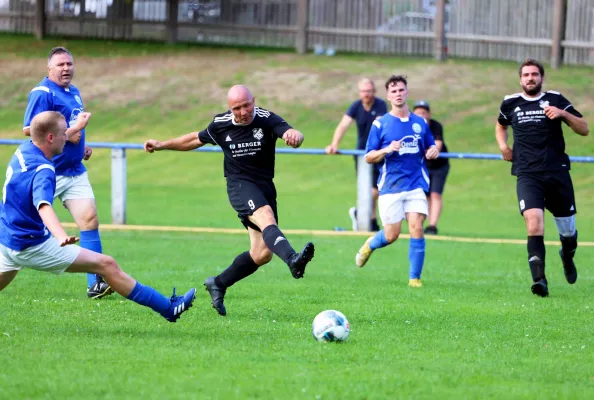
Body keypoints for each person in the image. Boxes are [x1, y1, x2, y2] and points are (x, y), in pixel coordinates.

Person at [0, 111, 196, 322]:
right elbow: (43, 205)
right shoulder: (45, 169)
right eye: (63, 133)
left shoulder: (24, 150)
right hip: (30, 244)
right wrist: (59, 235)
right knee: (106, 265)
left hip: (7, 236)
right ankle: (168, 308)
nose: (67, 137)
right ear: (50, 137)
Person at [144, 85, 315, 316]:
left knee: (261, 254)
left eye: (247, 105)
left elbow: (291, 132)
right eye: (237, 108)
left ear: (254, 100)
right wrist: (163, 145)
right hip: (239, 185)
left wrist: (295, 136)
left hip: (264, 187)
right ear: (229, 108)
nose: (243, 112)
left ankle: (218, 283)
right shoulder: (221, 124)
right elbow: (194, 139)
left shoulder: (266, 119)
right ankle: (293, 259)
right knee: (266, 217)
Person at [495, 58, 589, 297]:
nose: (530, 78)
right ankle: (540, 281)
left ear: (541, 78)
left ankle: (567, 256)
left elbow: (584, 128)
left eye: (534, 74)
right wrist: (504, 146)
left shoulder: (556, 99)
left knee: (568, 232)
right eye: (526, 75)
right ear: (520, 79)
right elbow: (500, 125)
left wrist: (562, 115)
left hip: (557, 173)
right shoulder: (510, 103)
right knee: (534, 222)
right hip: (527, 174)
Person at [23, 46, 110, 299]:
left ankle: (96, 283)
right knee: (21, 224)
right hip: (49, 170)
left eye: (69, 64)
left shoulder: (73, 92)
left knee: (90, 220)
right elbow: (31, 130)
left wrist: (80, 146)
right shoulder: (42, 93)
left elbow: (69, 128)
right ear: (49, 69)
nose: (66, 69)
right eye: (60, 65)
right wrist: (73, 131)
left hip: (73, 169)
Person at [354, 75, 439, 288]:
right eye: (393, 91)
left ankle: (414, 279)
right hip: (391, 186)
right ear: (388, 96)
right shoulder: (380, 124)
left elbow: (430, 145)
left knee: (417, 227)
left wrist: (433, 150)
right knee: (392, 235)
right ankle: (370, 245)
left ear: (407, 92)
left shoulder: (420, 123)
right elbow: (368, 156)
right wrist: (386, 149)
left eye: (401, 90)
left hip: (416, 184)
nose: (398, 94)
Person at [325, 78, 388, 232]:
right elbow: (343, 125)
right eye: (363, 91)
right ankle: (369, 220)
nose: (366, 94)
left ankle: (362, 214)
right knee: (369, 187)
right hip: (361, 154)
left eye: (369, 91)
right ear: (360, 93)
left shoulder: (380, 105)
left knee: (378, 187)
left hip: (378, 152)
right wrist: (334, 144)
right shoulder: (356, 106)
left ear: (374, 92)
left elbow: (378, 127)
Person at [412, 100, 450, 235]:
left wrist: (428, 152)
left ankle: (432, 226)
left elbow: (437, 146)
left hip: (439, 165)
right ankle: (422, 224)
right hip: (423, 166)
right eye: (418, 113)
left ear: (429, 114)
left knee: (435, 194)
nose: (421, 115)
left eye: (424, 113)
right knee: (424, 196)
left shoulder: (435, 126)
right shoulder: (412, 127)